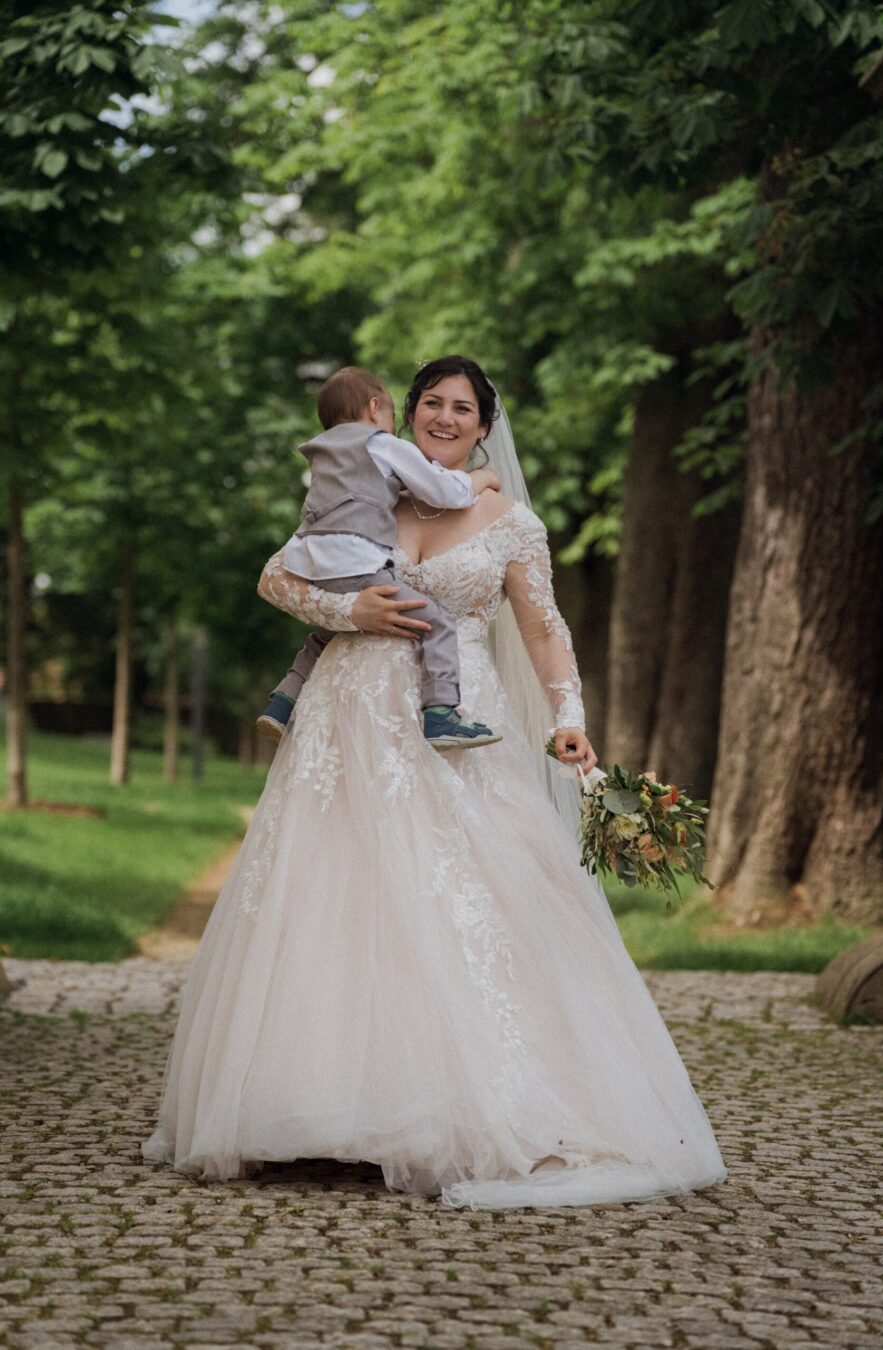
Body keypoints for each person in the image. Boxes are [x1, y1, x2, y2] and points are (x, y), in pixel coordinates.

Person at [141, 355, 727, 1210]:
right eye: (431, 404)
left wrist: (569, 714)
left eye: (462, 408)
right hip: (344, 722)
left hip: (454, 731)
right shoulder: (367, 480)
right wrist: (353, 613)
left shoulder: (508, 519)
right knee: (330, 891)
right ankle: (307, 1107)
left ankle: (457, 1108)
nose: (445, 418)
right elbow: (277, 575)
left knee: (459, 897)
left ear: (485, 426)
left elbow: (545, 628)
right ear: (404, 413)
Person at [256, 365, 502, 752]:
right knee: (435, 623)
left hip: (313, 560)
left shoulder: (324, 449)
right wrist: (482, 478)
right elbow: (444, 491)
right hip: (357, 560)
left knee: (324, 635)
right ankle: (440, 714)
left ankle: (283, 700)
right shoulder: (380, 443)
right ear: (374, 409)